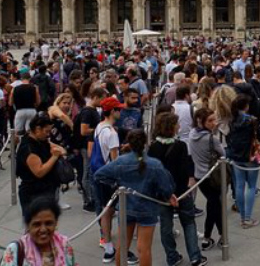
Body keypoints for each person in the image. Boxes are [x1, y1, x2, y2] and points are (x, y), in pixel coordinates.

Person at [95, 129, 173, 266]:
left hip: (126, 207)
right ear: (145, 143)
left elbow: (99, 175)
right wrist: (167, 196)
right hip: (148, 208)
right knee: (144, 249)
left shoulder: (120, 161)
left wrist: (117, 184)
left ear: (128, 143)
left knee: (122, 246)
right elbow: (166, 188)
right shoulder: (155, 164)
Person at [148, 113, 207, 266]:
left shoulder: (153, 147)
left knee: (166, 227)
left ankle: (172, 257)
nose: (179, 126)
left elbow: (152, 173)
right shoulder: (180, 146)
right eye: (177, 123)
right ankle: (195, 256)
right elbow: (185, 171)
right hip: (181, 192)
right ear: (171, 127)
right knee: (188, 223)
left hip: (161, 194)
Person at [91, 97, 123, 264]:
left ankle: (107, 241)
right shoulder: (112, 133)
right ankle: (111, 246)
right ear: (112, 111)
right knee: (110, 211)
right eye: (118, 109)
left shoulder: (99, 127)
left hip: (97, 172)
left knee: (105, 209)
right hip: (108, 177)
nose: (120, 112)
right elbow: (115, 161)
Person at [0, 197, 75, 266]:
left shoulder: (64, 245)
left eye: (48, 223)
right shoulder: (15, 250)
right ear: (28, 226)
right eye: (37, 224)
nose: (43, 230)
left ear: (56, 223)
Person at [16, 114, 67, 216]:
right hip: (34, 193)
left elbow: (62, 150)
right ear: (38, 129)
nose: (48, 135)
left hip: (47, 189)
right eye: (46, 131)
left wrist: (58, 152)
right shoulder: (29, 148)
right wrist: (54, 157)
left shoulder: (41, 141)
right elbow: (39, 172)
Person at [189, 108, 224, 251]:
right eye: (210, 120)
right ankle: (210, 236)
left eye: (214, 119)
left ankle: (216, 235)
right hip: (212, 176)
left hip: (199, 176)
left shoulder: (192, 134)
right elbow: (223, 153)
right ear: (200, 121)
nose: (213, 123)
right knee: (214, 206)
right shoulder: (212, 139)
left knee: (214, 205)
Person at [226, 94, 260, 228]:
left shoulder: (232, 120)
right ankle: (247, 218)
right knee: (252, 186)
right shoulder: (251, 120)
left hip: (236, 156)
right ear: (246, 106)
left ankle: (243, 217)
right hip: (250, 155)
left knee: (239, 186)